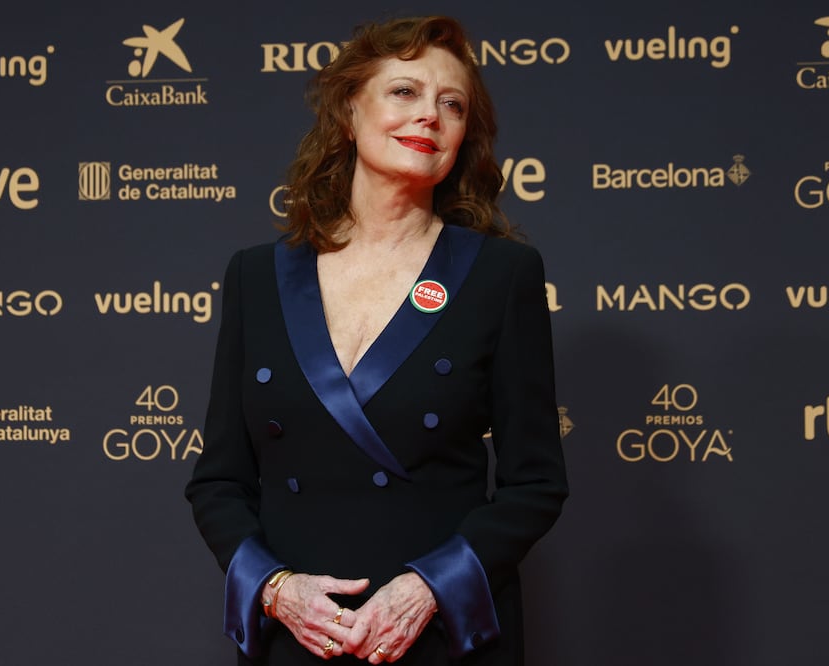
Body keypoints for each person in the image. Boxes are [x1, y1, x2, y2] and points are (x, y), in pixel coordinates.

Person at [185, 15, 568, 666]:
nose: (429, 116)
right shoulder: (257, 276)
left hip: (440, 634)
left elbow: (534, 484)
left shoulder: (500, 275)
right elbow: (218, 481)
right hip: (301, 636)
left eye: (451, 105)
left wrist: (427, 591)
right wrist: (277, 592)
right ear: (347, 111)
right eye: (404, 92)